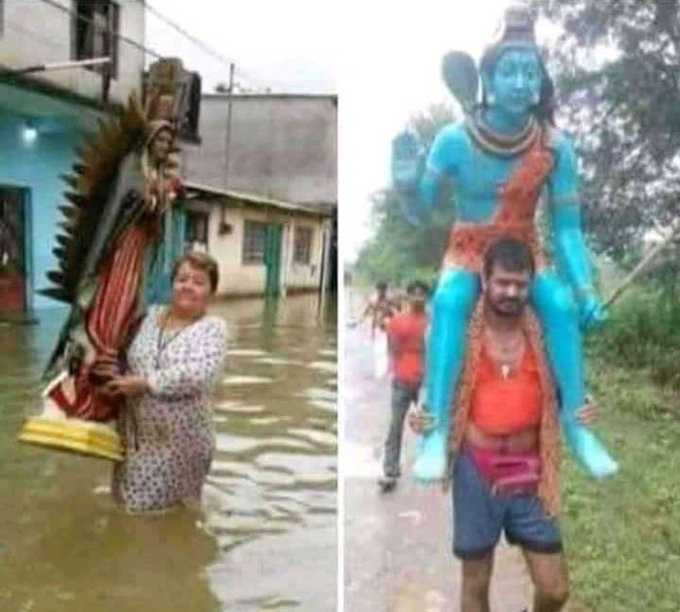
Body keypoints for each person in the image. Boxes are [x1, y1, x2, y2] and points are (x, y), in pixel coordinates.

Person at [391, 4, 617, 481]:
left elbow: (568, 229)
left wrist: (586, 292)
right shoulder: (454, 139)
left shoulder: (556, 146)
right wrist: (407, 184)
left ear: (539, 83)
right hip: (470, 248)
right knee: (450, 301)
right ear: (487, 83)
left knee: (556, 303)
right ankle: (435, 427)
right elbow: (420, 211)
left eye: (529, 73)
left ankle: (578, 422)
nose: (521, 82)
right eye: (509, 72)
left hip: (523, 249)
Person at [409, 238, 599, 612]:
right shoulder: (458, 335)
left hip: (531, 474)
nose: (511, 292)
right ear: (485, 279)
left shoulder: (546, 335)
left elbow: (565, 388)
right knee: (476, 582)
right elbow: (434, 393)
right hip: (475, 471)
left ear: (531, 285)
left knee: (555, 589)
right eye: (503, 282)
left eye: (521, 284)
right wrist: (421, 416)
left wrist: (582, 404)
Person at [98, 252, 227, 514]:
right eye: (182, 279)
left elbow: (199, 373)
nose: (188, 286)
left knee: (169, 514)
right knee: (128, 508)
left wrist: (146, 383)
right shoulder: (147, 318)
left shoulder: (213, 328)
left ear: (211, 292)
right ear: (172, 284)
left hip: (182, 444)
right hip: (136, 438)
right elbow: (122, 355)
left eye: (199, 282)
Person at [378, 281, 429, 492]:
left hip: (423, 379)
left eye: (421, 295)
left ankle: (429, 465)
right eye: (415, 295)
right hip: (408, 378)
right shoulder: (399, 321)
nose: (418, 298)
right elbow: (393, 349)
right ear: (408, 297)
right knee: (396, 426)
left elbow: (394, 350)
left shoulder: (432, 321)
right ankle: (390, 470)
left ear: (426, 298)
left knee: (429, 426)